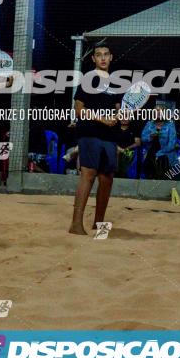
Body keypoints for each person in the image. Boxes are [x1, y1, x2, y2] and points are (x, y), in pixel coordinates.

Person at [69, 45, 121, 235]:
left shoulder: (115, 82)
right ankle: (76, 224)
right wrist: (102, 119)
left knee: (107, 178)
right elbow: (79, 109)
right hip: (89, 131)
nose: (103, 58)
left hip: (109, 134)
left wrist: (122, 117)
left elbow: (117, 108)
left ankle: (99, 225)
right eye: (99, 55)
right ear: (93, 59)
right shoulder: (88, 78)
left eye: (106, 54)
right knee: (88, 174)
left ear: (111, 57)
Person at [140, 108, 180, 178]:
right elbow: (143, 138)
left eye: (159, 112)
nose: (157, 114)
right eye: (155, 112)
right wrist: (150, 137)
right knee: (149, 172)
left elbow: (172, 143)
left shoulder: (170, 125)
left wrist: (160, 153)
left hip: (166, 154)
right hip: (151, 152)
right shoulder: (149, 124)